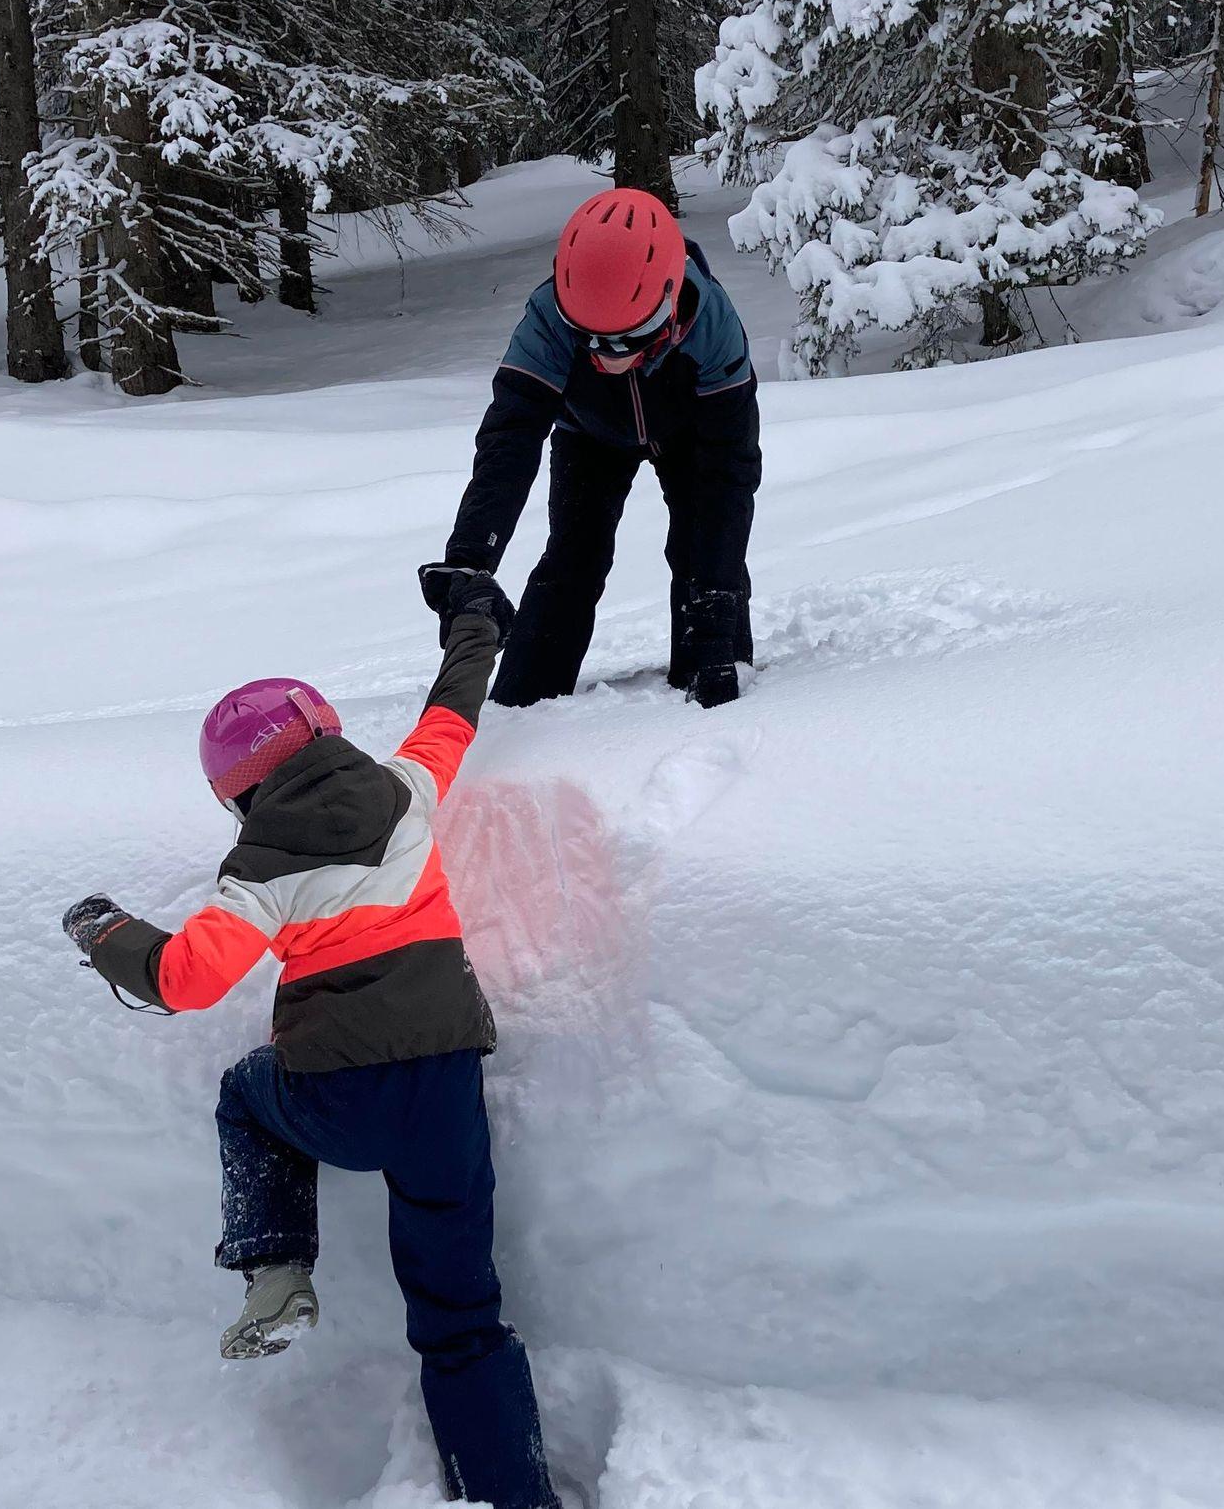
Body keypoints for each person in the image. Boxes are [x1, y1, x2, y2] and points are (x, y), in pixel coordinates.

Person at [59, 571, 560, 1509]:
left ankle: (278, 1267)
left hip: (336, 1097)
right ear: (326, 733)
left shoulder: (258, 872)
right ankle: (513, 1494)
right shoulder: (407, 790)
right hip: (445, 1091)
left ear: (237, 792)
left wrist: (103, 932)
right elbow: (452, 713)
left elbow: (185, 980)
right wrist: (476, 621)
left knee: (246, 1096)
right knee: (462, 1318)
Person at [436, 186, 762, 709]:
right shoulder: (545, 318)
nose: (606, 357)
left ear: (669, 304)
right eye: (586, 335)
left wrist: (719, 607)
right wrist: (470, 561)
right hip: (589, 434)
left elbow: (731, 473)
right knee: (574, 557)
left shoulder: (712, 324)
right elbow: (509, 442)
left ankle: (716, 688)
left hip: (692, 433)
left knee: (701, 552)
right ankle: (521, 707)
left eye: (629, 337)